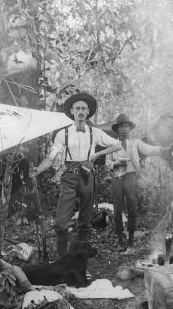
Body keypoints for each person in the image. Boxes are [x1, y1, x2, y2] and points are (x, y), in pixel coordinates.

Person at [32, 93, 121, 257]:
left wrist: (97, 155)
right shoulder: (62, 134)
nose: (80, 111)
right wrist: (37, 170)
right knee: (60, 222)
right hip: (69, 176)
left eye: (84, 108)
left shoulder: (96, 133)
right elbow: (51, 157)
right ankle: (62, 259)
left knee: (85, 221)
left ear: (88, 112)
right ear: (72, 112)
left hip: (87, 176)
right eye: (77, 108)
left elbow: (117, 145)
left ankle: (80, 260)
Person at [107, 114, 163, 250]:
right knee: (117, 207)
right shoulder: (111, 143)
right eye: (121, 127)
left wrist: (165, 149)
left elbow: (150, 150)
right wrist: (121, 162)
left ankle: (131, 237)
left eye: (126, 126)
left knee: (132, 205)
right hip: (118, 175)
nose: (124, 129)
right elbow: (108, 163)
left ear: (129, 129)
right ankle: (120, 237)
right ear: (117, 130)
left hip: (131, 175)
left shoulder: (136, 142)